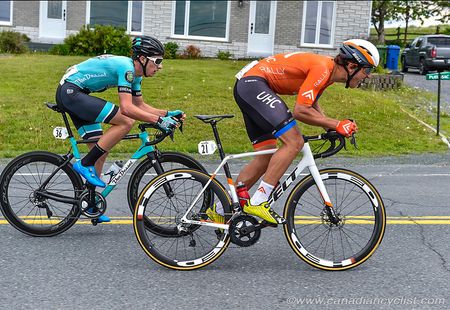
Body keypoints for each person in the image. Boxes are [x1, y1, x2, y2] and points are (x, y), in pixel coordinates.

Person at [207, 39, 379, 225]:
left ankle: (221, 209)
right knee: (294, 142)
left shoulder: (327, 72)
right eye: (367, 70)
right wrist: (337, 123)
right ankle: (259, 200)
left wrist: (330, 127)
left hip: (250, 86)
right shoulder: (323, 68)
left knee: (267, 156)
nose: (368, 76)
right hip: (254, 85)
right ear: (352, 65)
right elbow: (301, 111)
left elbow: (311, 103)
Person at [55, 35, 185, 223]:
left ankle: (89, 203)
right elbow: (127, 109)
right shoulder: (127, 69)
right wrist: (158, 120)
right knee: (126, 121)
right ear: (142, 58)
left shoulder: (135, 76)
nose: (160, 66)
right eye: (157, 61)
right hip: (71, 93)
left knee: (100, 150)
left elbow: (139, 106)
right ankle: (84, 164)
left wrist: (166, 114)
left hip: (76, 94)